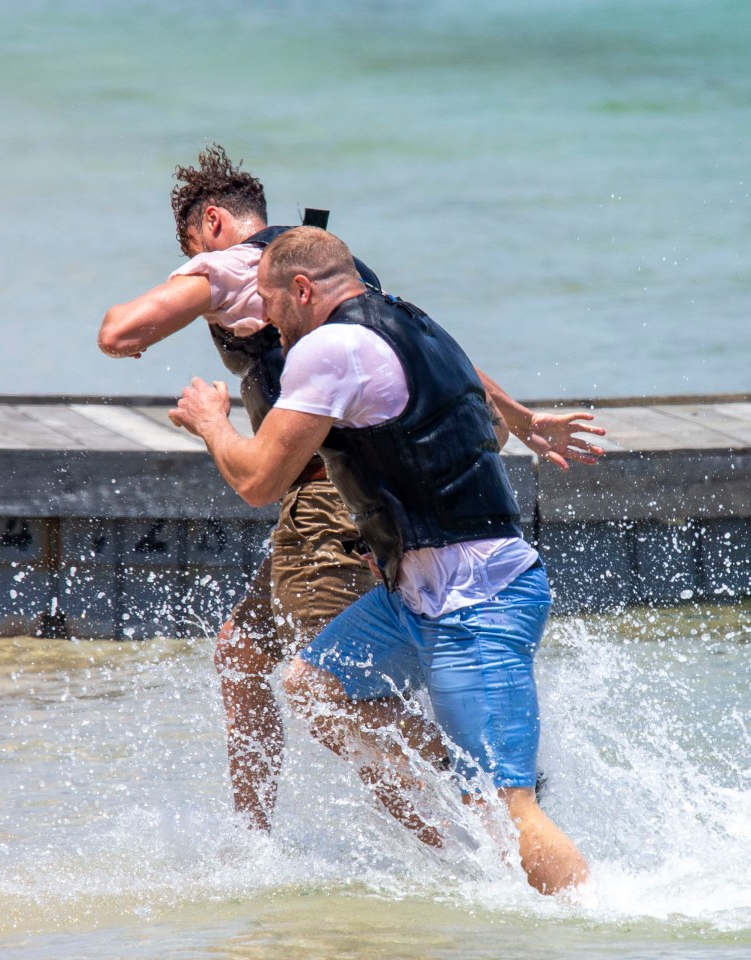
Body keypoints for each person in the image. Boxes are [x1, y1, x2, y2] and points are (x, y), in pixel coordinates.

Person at [99, 145, 605, 839]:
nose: (272, 320)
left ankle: (459, 845)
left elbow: (117, 332)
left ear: (212, 223)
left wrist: (190, 315)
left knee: (347, 706)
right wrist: (517, 415)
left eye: (192, 244)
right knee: (249, 654)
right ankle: (253, 843)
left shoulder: (224, 267)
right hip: (329, 503)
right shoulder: (337, 272)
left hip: (329, 502)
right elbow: (406, 341)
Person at [168, 226, 591, 895]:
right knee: (314, 686)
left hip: (475, 601)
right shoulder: (412, 321)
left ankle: (592, 922)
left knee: (510, 807)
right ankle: (463, 796)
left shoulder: (330, 347)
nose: (273, 333)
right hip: (414, 595)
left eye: (274, 312)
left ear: (302, 290)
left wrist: (211, 420)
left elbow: (258, 481)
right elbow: (469, 424)